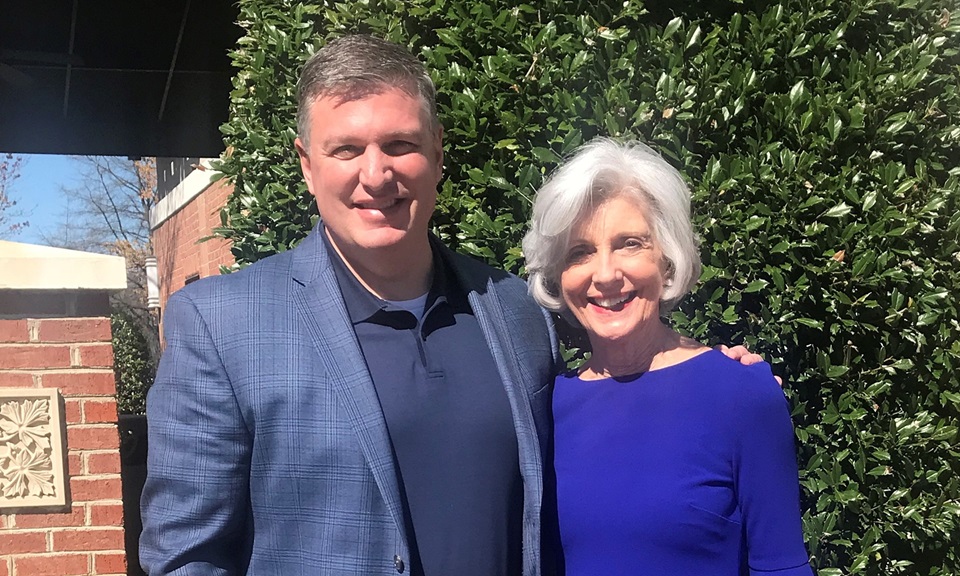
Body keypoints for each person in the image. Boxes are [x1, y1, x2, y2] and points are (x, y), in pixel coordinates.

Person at [141, 34, 768, 576]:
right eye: (346, 150)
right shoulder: (223, 325)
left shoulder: (517, 312)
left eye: (400, 144)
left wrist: (707, 373)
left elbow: (610, 412)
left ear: (438, 153)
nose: (376, 173)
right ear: (307, 166)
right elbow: (186, 555)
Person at [522, 138, 813, 576]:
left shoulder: (741, 394)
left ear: (666, 257)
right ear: (559, 275)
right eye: (579, 252)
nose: (605, 275)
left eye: (630, 243)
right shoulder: (546, 408)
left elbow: (782, 568)